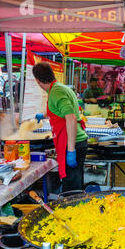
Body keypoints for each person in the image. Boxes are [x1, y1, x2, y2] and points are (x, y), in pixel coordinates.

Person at [33, 62, 88, 192]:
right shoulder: (61, 88)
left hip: (73, 142)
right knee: (74, 182)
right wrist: (45, 115)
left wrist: (71, 150)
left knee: (72, 188)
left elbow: (71, 118)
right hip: (76, 141)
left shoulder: (56, 92)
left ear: (38, 80)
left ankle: (72, 210)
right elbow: (61, 112)